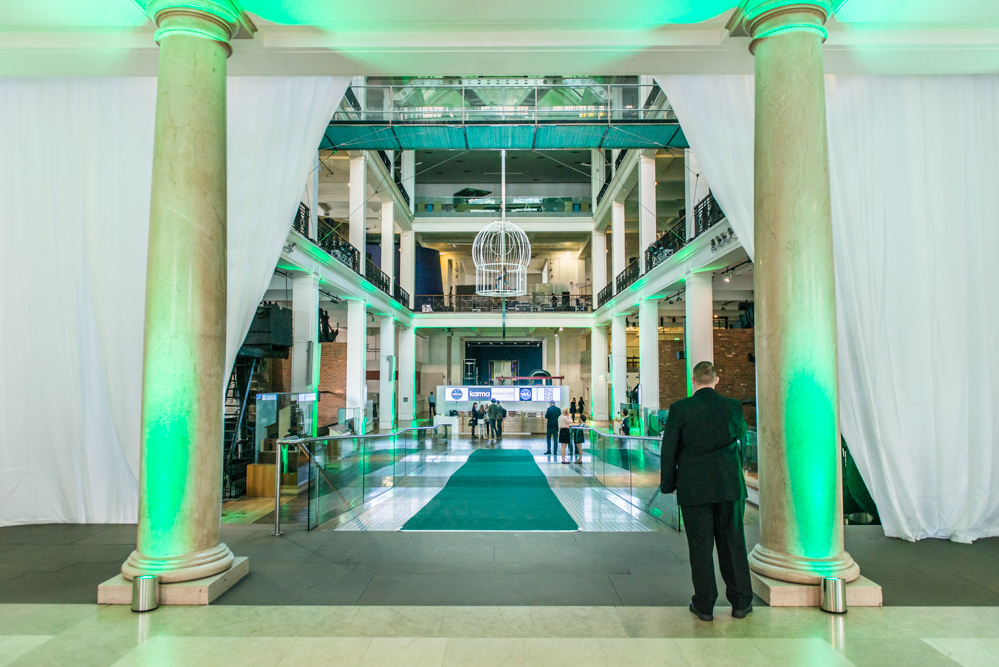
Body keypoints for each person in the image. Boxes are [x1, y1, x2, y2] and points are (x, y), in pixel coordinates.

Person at [660, 361, 753, 622]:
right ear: (716, 380)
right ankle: (741, 602)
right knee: (733, 543)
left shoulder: (680, 409)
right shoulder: (733, 407)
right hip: (729, 485)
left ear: (693, 381)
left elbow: (669, 449)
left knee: (700, 546)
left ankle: (705, 604)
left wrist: (669, 484)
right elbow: (742, 440)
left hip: (694, 487)